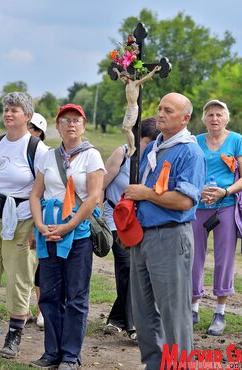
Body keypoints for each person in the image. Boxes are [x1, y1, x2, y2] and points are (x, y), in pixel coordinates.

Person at [122, 93, 205, 369]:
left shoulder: (190, 151)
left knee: (173, 313)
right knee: (143, 312)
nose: (160, 113)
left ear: (185, 118)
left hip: (170, 236)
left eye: (168, 110)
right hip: (142, 237)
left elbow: (184, 201)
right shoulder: (153, 147)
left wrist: (145, 194)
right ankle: (153, 364)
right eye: (159, 108)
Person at [29, 103, 105, 370]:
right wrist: (39, 224)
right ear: (57, 127)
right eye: (65, 120)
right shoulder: (48, 156)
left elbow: (95, 196)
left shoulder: (92, 156)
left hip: (78, 234)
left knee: (75, 296)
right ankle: (52, 353)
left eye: (76, 120)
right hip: (48, 234)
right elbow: (36, 194)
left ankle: (71, 356)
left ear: (83, 126)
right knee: (49, 295)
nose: (71, 125)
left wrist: (68, 226)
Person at [0, 92, 49, 358]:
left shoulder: (37, 149)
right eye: (6, 109)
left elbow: (44, 191)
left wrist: (36, 225)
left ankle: (14, 334)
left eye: (15, 110)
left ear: (28, 116)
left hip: (21, 220)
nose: (8, 114)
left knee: (19, 278)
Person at [191, 99, 242, 336]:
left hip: (226, 206)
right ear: (204, 119)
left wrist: (224, 191)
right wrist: (199, 192)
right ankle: (193, 308)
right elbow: (188, 172)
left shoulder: (236, 140)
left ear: (226, 118)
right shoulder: (195, 141)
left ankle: (220, 312)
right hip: (197, 206)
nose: (214, 119)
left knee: (224, 259)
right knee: (194, 257)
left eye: (219, 114)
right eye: (210, 115)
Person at [103, 117, 160, 341]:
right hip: (115, 218)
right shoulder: (122, 153)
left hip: (140, 222)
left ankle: (116, 319)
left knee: (138, 269)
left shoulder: (157, 158)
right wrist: (96, 217)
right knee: (126, 265)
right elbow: (102, 185)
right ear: (138, 138)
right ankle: (135, 325)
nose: (151, 146)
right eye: (147, 141)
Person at [27, 112, 48, 330]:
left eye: (30, 127)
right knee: (25, 267)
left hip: (38, 215)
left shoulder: (43, 155)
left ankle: (42, 310)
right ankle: (25, 309)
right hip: (17, 214)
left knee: (40, 265)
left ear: (38, 132)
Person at [113, 66, 161, 157]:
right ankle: (130, 147)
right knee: (124, 129)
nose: (123, 79)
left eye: (124, 78)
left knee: (127, 129)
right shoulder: (126, 84)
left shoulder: (135, 83)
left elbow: (146, 77)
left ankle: (133, 147)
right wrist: (116, 70)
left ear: (128, 77)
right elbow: (120, 76)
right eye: (122, 78)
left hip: (134, 108)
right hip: (129, 108)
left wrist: (154, 70)